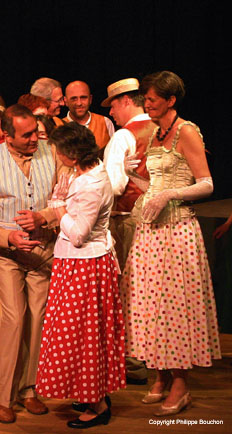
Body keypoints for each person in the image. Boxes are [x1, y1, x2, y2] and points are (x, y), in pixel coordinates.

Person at [121, 71, 221, 416]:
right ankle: (160, 375)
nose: (146, 105)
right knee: (152, 307)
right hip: (151, 232)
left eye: (151, 100)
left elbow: (206, 184)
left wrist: (168, 195)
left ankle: (181, 384)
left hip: (177, 232)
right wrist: (131, 175)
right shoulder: (154, 132)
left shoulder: (186, 131)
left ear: (170, 100)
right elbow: (155, 185)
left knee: (176, 308)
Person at [0, 104, 67, 424]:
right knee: (14, 318)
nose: (34, 139)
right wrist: (7, 237)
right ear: (7, 136)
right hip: (6, 253)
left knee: (37, 319)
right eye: (26, 135)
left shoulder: (52, 154)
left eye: (36, 132)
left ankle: (29, 389)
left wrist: (45, 217)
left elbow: (67, 199)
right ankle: (5, 396)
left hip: (43, 251)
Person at [36, 123, 126, 429]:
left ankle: (97, 405)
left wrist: (59, 207)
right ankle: (91, 393)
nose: (57, 156)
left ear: (72, 155)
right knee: (81, 333)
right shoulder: (84, 175)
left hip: (84, 265)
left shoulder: (91, 185)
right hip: (77, 264)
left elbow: (78, 235)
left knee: (82, 334)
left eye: (59, 151)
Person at [102, 78, 156, 386]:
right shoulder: (164, 129)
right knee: (152, 289)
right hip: (160, 220)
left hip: (128, 220)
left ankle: (133, 361)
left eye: (112, 106)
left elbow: (114, 186)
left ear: (125, 101)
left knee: (128, 291)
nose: (111, 113)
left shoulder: (125, 135)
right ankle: (156, 357)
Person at [63, 80, 114, 149]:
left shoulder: (105, 123)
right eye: (74, 99)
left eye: (83, 98)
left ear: (90, 99)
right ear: (65, 101)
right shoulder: (58, 126)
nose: (79, 103)